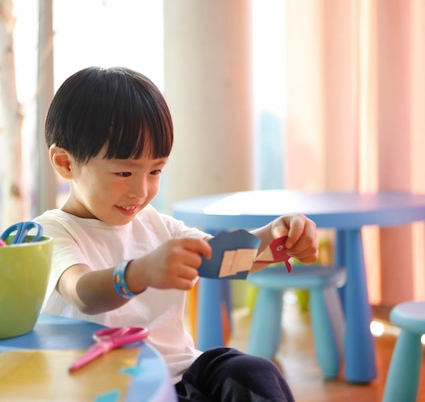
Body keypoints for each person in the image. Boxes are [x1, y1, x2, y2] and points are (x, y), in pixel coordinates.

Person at [35, 66, 318, 402]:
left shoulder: (156, 224)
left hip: (182, 371)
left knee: (255, 372)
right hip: (111, 385)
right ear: (65, 163)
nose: (141, 190)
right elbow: (82, 292)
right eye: (124, 172)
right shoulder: (52, 232)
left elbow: (219, 260)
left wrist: (276, 237)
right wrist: (139, 272)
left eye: (155, 170)